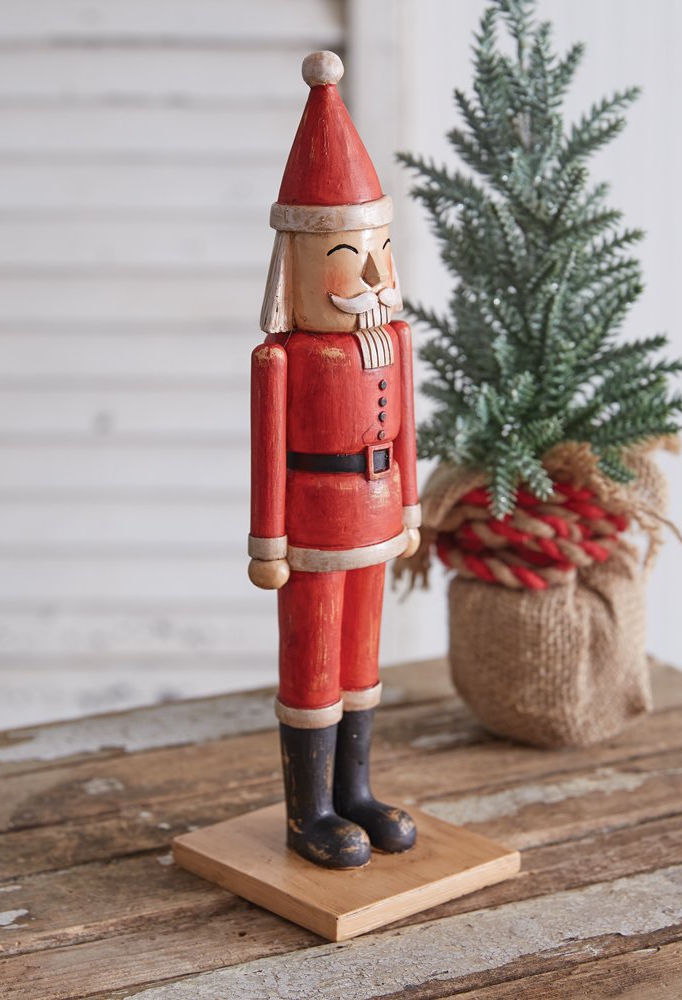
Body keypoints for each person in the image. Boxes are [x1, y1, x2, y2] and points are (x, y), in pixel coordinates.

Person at [248, 51, 421, 869]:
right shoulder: (282, 360)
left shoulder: (397, 342)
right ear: (300, 262)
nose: (377, 273)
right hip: (313, 525)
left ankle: (355, 793)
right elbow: (266, 458)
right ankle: (307, 811)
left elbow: (407, 436)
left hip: (378, 516)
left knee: (361, 657)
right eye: (352, 253)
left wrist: (410, 508)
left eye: (380, 248)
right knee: (312, 658)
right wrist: (268, 544)